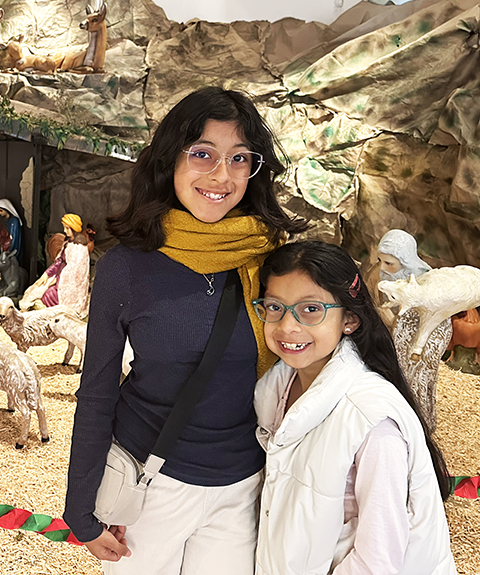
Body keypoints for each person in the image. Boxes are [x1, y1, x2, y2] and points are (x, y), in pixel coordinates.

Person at [64, 86, 305, 574]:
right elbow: (97, 390)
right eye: (202, 154)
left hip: (243, 488)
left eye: (240, 158)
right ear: (169, 159)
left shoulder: (271, 260)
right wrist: (81, 508)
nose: (222, 175)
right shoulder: (126, 267)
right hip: (147, 483)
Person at [252, 240, 455, 574]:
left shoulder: (372, 421)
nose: (287, 326)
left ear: (349, 319)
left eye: (311, 309)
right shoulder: (274, 388)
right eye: (275, 306)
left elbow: (378, 561)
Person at [20, 213, 92, 316]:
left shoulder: (79, 247)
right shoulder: (67, 243)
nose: (64, 231)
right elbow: (59, 261)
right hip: (59, 275)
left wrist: (58, 279)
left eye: (67, 228)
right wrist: (47, 274)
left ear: (74, 228)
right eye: (64, 227)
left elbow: (74, 271)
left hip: (69, 284)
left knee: (48, 295)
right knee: (37, 289)